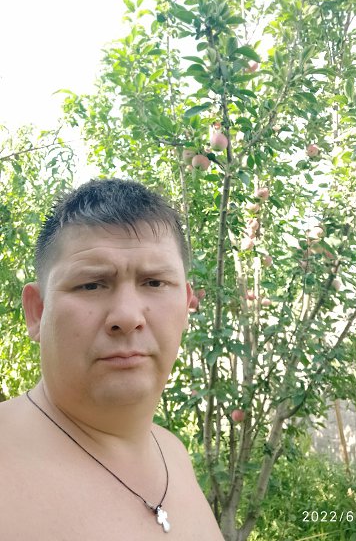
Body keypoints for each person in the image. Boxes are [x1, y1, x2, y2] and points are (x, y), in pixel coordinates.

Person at [0, 178, 224, 540]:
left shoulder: (174, 454)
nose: (127, 316)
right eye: (91, 284)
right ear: (37, 312)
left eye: (154, 282)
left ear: (186, 306)